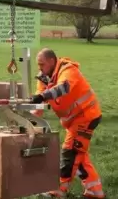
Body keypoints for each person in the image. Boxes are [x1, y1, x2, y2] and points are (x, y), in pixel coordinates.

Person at [30, 48, 105, 199]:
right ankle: (95, 191)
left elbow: (64, 87)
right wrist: (29, 121)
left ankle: (58, 190)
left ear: (52, 61)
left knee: (70, 151)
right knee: (79, 155)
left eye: (42, 64)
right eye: (38, 65)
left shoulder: (68, 69)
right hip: (74, 120)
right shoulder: (44, 77)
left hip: (86, 116)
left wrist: (42, 96)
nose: (40, 68)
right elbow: (39, 105)